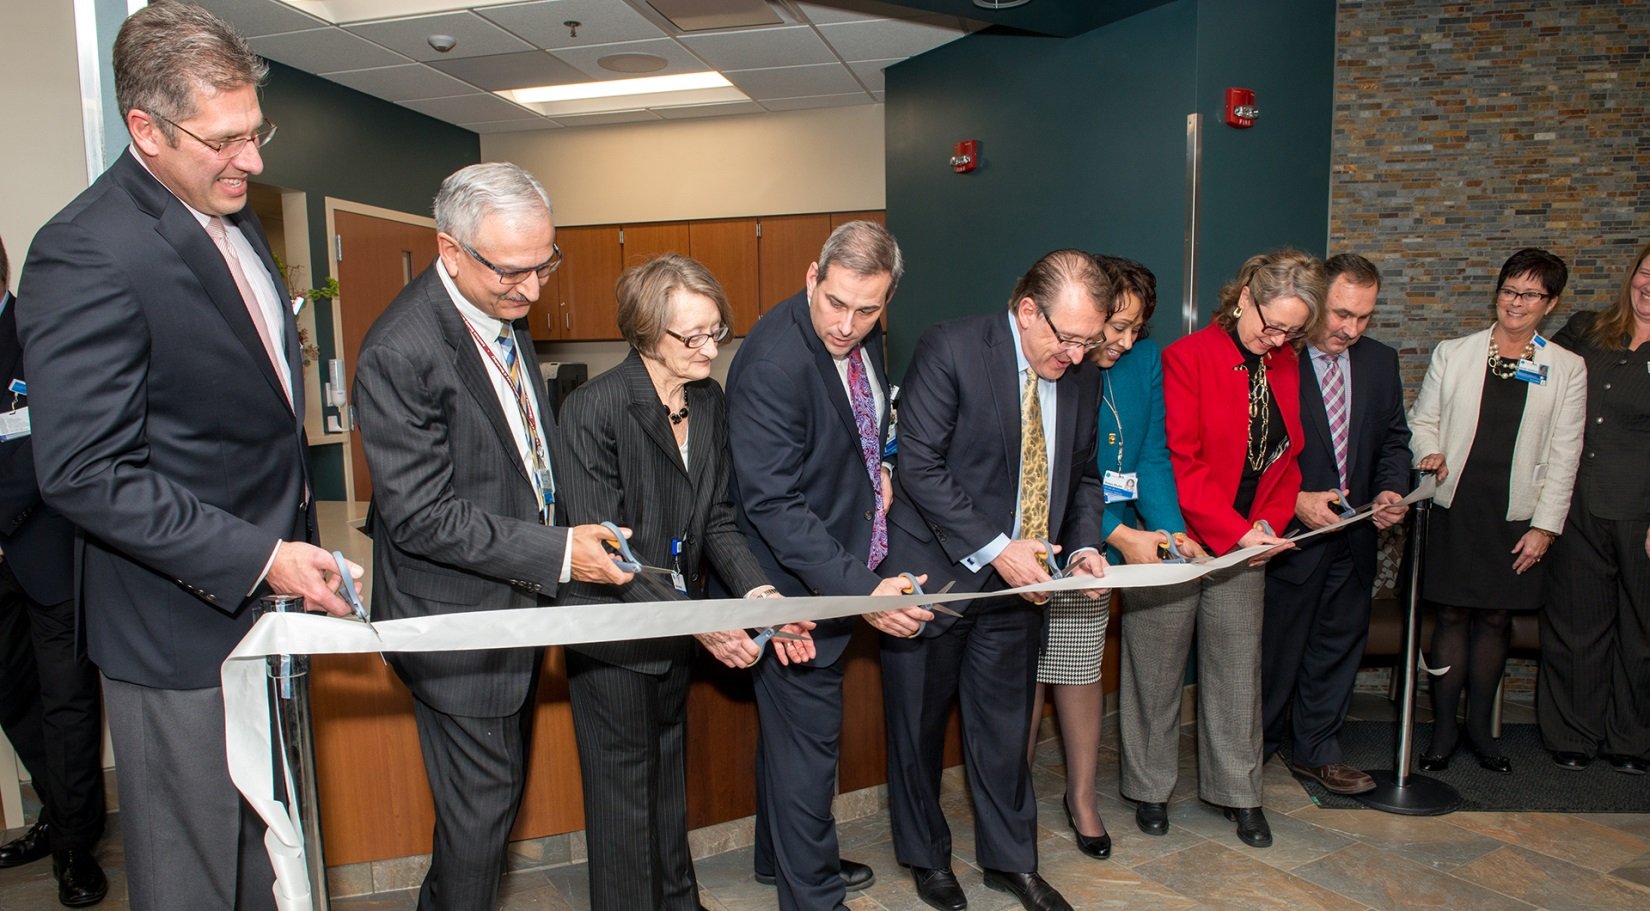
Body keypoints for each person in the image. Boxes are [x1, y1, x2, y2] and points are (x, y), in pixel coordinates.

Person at [15, 5, 362, 908]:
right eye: (225, 139)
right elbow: (86, 470)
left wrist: (289, 556)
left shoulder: (235, 219)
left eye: (257, 131)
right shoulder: (85, 250)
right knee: (197, 880)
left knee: (267, 864)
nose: (252, 160)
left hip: (265, 616)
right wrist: (262, 556)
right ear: (146, 129)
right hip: (176, 632)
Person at [351, 162, 634, 911]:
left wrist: (569, 526)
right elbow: (421, 515)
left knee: (487, 814)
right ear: (450, 250)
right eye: (513, 270)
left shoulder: (499, 309)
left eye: (545, 264)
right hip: (457, 622)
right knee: (480, 823)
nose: (533, 288)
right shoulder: (401, 351)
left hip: (511, 604)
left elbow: (515, 458)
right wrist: (555, 551)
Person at [552, 254, 815, 911]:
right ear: (645, 333)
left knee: (668, 784)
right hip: (613, 637)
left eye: (715, 331)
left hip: (675, 627)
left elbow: (718, 519)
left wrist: (759, 593)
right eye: (691, 336)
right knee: (623, 806)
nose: (708, 347)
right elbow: (607, 553)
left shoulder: (708, 399)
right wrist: (702, 618)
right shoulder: (594, 409)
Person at [883, 249, 1111, 911]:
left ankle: (1011, 860)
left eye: (1088, 342)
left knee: (1007, 730)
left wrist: (1087, 547)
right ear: (1027, 311)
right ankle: (927, 857)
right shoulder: (952, 347)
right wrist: (997, 547)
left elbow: (1085, 475)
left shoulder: (1083, 374)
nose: (1074, 354)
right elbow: (921, 467)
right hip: (937, 573)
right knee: (919, 725)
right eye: (1065, 337)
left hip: (1023, 584)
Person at [724, 220, 928, 911]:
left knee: (789, 743)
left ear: (887, 298)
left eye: (866, 309)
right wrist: (866, 590)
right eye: (835, 301)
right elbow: (774, 504)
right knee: (810, 753)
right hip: (794, 587)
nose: (847, 324)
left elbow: (858, 428)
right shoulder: (774, 361)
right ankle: (813, 897)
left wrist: (880, 476)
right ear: (813, 275)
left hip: (838, 561)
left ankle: (774, 857)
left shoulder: (866, 337)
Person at [1133, 250, 1322, 849]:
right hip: (1181, 535)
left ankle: (1238, 793)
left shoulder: (1286, 362)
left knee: (1237, 671)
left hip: (1250, 539)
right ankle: (1149, 788)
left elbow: (1287, 457)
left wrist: (1264, 527)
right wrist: (1234, 530)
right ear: (1244, 296)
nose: (1278, 339)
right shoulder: (1187, 357)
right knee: (1157, 668)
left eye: (1292, 331)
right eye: (1272, 324)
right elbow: (1180, 460)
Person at [1025, 255, 1205, 862]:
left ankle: (1082, 798)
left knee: (1077, 670)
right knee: (1022, 674)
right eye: (1116, 326)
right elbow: (1059, 471)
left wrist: (1169, 532)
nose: (1124, 342)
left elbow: (1150, 454)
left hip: (1101, 550)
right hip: (1037, 538)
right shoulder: (1056, 362)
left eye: (1136, 328)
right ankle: (1012, 796)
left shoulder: (1142, 362)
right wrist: (1116, 532)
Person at [1409, 247, 1586, 775]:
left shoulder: (1566, 368)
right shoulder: (1454, 352)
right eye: (1509, 290)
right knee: (1451, 614)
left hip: (1515, 516)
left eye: (1530, 294)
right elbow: (1423, 421)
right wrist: (1427, 453)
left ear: (1549, 303)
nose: (1516, 302)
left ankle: (1482, 733)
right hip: (1453, 504)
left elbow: (1565, 452)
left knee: (1494, 618)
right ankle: (1442, 732)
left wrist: (1546, 527)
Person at [1262, 254, 1412, 795]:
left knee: (1337, 648)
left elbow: (1394, 437)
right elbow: (1252, 452)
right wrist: (1294, 499)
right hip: (1289, 540)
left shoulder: (1379, 362)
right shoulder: (1277, 357)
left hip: (1355, 538)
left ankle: (1318, 752)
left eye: (1364, 317)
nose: (1350, 329)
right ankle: (1251, 753)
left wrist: (1390, 489)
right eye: (1341, 313)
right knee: (1274, 654)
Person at [0, 236, 107, 907]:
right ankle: (58, 810)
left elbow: (53, 444)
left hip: (44, 547)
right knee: (11, 695)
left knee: (67, 697)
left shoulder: (35, 334)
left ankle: (74, 843)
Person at [1538, 241, 1650, 774]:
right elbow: (1537, 375)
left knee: (1641, 631)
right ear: (1633, 275)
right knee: (1575, 625)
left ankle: (1633, 741)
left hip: (1641, 512)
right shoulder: (1587, 327)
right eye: (1647, 273)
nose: (1649, 285)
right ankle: (1573, 736)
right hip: (1574, 503)